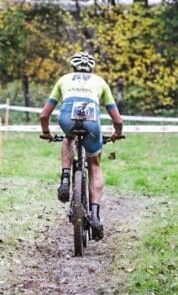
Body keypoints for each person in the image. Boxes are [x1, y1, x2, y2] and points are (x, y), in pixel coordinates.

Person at [39, 51, 123, 240]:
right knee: (94, 165)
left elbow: (44, 115)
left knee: (69, 138)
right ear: (92, 68)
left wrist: (46, 133)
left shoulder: (63, 80)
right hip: (92, 122)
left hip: (67, 117)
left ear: (73, 67)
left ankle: (65, 179)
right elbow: (117, 118)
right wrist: (117, 133)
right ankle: (95, 215)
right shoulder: (100, 82)